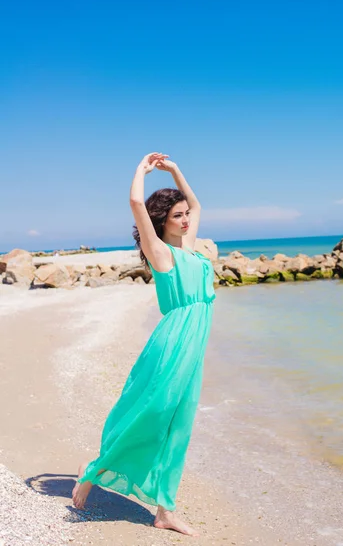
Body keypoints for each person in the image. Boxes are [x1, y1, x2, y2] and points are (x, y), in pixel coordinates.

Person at [72, 152, 216, 536]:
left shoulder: (190, 247)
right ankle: (96, 471)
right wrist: (142, 170)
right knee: (153, 415)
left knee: (179, 426)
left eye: (186, 215)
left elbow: (198, 203)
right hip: (173, 344)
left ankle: (165, 510)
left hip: (195, 344)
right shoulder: (161, 253)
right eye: (177, 216)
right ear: (161, 223)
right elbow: (137, 203)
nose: (186, 220)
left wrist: (176, 171)